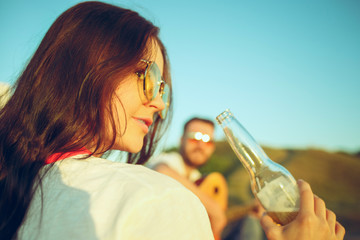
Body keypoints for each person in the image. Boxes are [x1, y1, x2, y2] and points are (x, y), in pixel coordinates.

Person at [0, 1, 345, 240]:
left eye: (164, 89)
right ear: (87, 66)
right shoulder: (154, 197)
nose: (160, 104)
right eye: (148, 76)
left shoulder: (18, 184)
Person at [147, 117, 265, 240]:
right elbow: (161, 170)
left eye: (207, 140)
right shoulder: (169, 160)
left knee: (251, 221)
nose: (200, 145)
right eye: (194, 137)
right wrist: (213, 208)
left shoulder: (197, 179)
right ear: (181, 140)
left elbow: (218, 218)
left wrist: (246, 209)